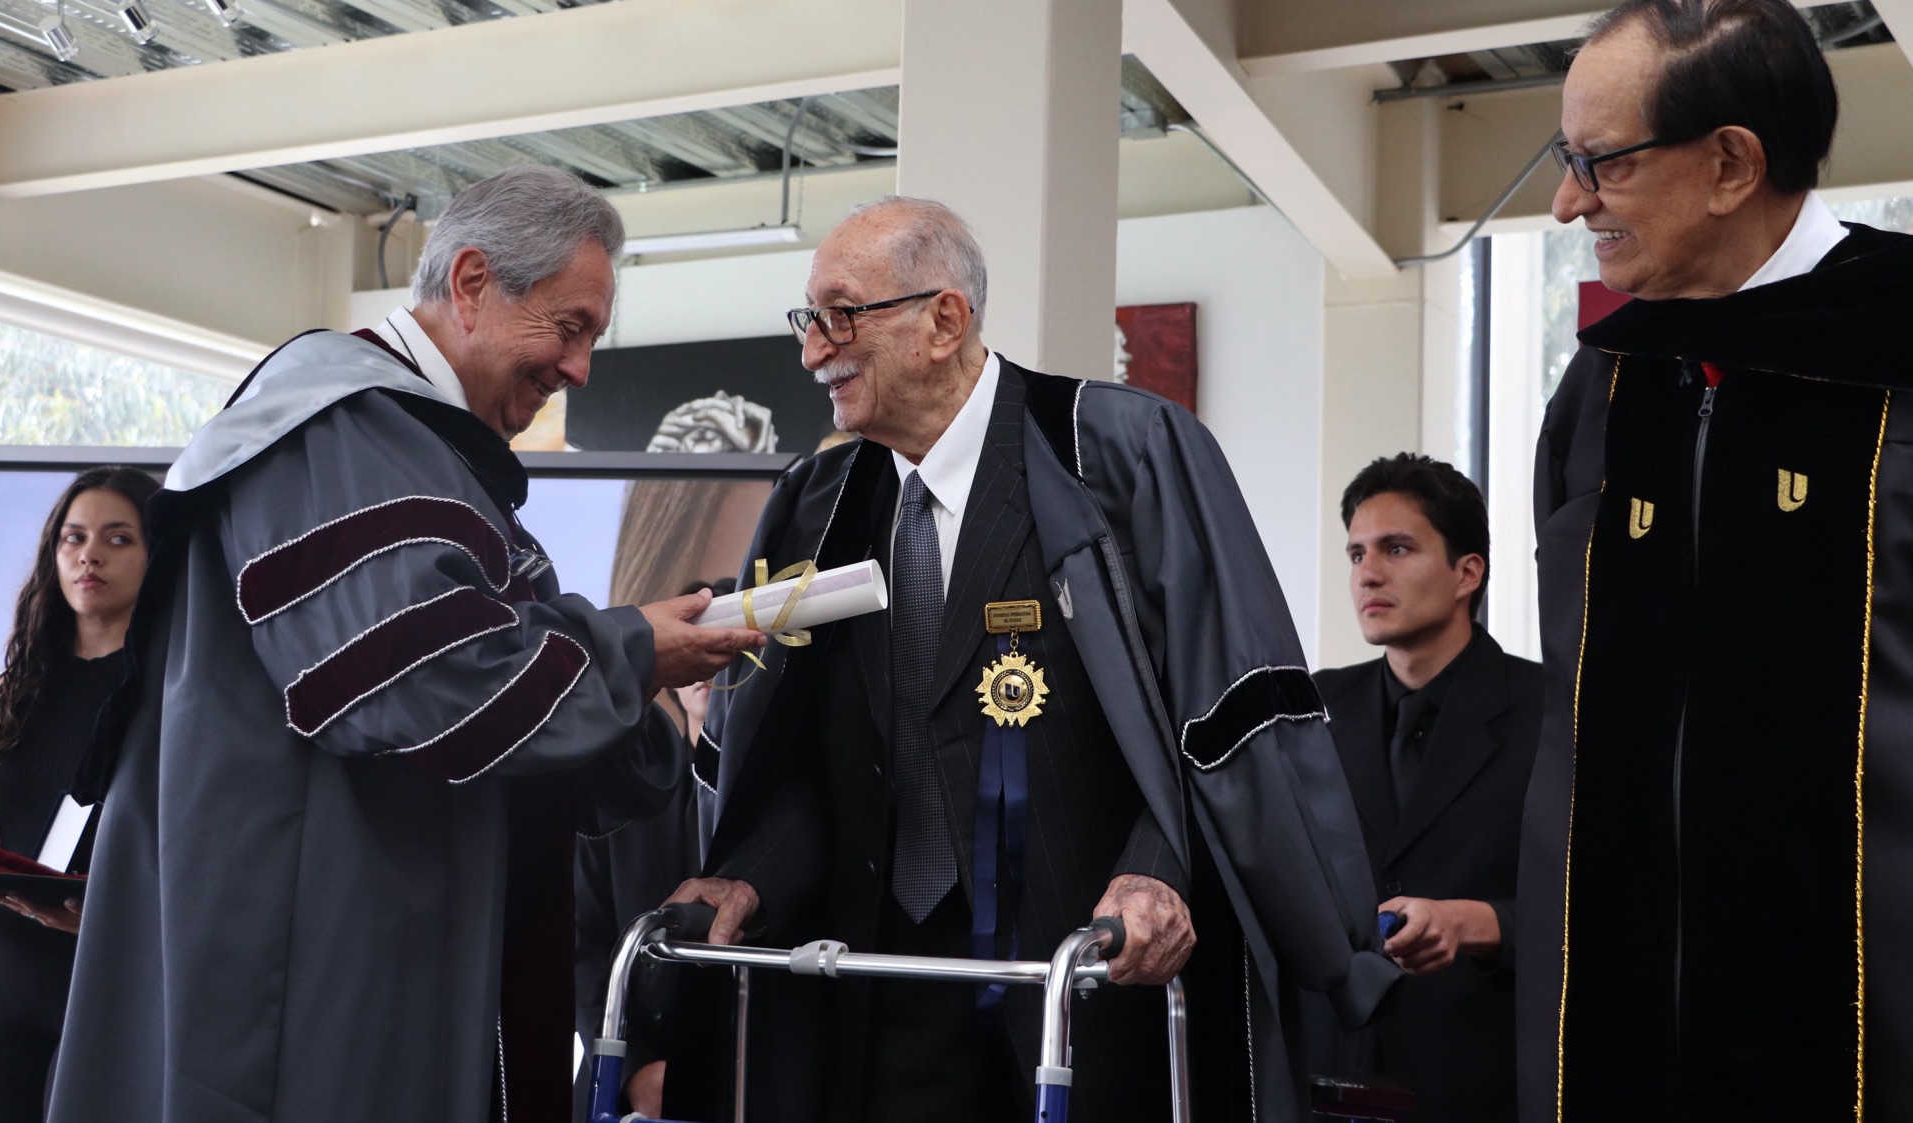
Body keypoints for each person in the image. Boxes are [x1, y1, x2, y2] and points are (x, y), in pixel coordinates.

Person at [46, 166, 766, 1123]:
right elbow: (425, 682)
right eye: (570, 326)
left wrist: (644, 672)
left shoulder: (425, 459)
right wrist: (632, 651)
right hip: (308, 972)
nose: (581, 368)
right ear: (470, 282)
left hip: (393, 948)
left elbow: (524, 722)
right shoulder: (337, 429)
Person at [663, 196, 1397, 1123]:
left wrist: (1157, 870)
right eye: (809, 319)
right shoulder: (817, 503)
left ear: (944, 319)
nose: (814, 350)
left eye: (843, 314)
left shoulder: (1121, 456)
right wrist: (749, 873)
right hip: (888, 987)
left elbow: (1219, 721)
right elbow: (799, 758)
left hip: (1093, 973)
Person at [1527, 2, 1913, 1119]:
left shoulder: (1893, 351)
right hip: (1615, 1001)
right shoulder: (1600, 391)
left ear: (1730, 164)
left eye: (1597, 164)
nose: (1566, 204)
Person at [0, 467, 157, 1122]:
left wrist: (112, 917)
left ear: (155, 554)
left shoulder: (171, 696)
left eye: (118, 537)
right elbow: (4, 831)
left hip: (108, 973)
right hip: (7, 970)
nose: (89, 554)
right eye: (73, 537)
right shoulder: (21, 686)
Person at [1306, 454, 1540, 1123]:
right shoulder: (1310, 708)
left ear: (1469, 571)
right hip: (1327, 1080)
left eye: (1396, 548)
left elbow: (1610, 903)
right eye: (1355, 554)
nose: (1367, 574)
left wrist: (1479, 923)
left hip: (1483, 1083)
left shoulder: (1555, 714)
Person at [573, 576, 737, 1122]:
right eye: (697, 637)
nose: (710, 660)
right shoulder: (621, 791)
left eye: (726, 638)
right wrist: (634, 1067)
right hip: (625, 1084)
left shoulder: (786, 800)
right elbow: (582, 948)